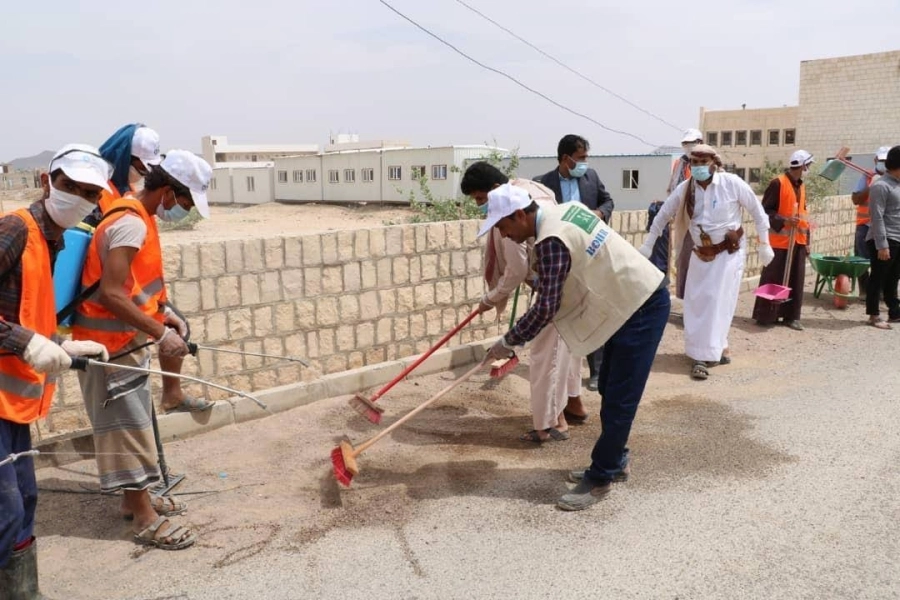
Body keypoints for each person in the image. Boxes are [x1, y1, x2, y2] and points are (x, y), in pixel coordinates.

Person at [480, 184, 669, 511]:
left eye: (503, 226)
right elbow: (569, 270)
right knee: (610, 385)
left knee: (620, 397)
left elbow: (546, 308)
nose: (504, 235)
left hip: (641, 304)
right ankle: (617, 457)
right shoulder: (565, 211)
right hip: (628, 300)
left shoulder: (550, 240)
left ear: (521, 215)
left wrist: (509, 340)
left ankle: (601, 476)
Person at [71, 150, 212, 551]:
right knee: (126, 430)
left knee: (132, 426)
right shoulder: (130, 224)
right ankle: (145, 520)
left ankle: (135, 503)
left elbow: (133, 286)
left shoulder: (136, 215)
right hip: (109, 347)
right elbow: (111, 293)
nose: (183, 211)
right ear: (167, 192)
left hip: (124, 341)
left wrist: (162, 314)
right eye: (184, 203)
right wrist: (158, 331)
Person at [0, 145, 111, 597]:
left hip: (12, 407)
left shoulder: (54, 241)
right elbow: (20, 332)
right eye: (70, 187)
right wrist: (26, 343)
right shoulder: (14, 230)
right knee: (4, 513)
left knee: (24, 502)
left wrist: (61, 342)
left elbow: (25, 314)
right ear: (49, 181)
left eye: (88, 193)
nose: (78, 198)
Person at [461, 163, 584, 440]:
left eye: (481, 199)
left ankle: (550, 425)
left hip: (572, 288)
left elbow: (519, 275)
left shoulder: (534, 227)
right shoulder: (533, 191)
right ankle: (573, 406)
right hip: (569, 285)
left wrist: (507, 336)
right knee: (568, 350)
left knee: (545, 355)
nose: (504, 234)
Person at [641, 144, 773, 380]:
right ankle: (714, 347)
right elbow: (663, 215)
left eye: (704, 162)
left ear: (713, 163)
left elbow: (758, 212)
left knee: (719, 302)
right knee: (695, 302)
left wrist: (765, 244)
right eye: (695, 163)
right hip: (701, 253)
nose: (699, 167)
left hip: (729, 254)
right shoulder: (686, 189)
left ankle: (703, 357)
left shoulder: (732, 183)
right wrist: (649, 244)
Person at [534, 134, 614, 394]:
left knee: (592, 309)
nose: (585, 163)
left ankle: (597, 371)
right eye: (581, 158)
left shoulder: (591, 178)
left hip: (589, 252)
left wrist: (599, 213)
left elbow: (608, 201)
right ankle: (564, 372)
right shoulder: (543, 185)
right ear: (566, 159)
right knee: (566, 311)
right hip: (560, 257)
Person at [752, 150, 814, 330]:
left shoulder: (801, 186)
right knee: (773, 277)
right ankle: (765, 315)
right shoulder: (777, 183)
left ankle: (790, 316)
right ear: (802, 165)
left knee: (796, 279)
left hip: (798, 242)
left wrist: (807, 240)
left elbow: (804, 214)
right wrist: (784, 220)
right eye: (807, 165)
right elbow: (765, 212)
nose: (808, 168)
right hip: (779, 243)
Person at [864, 145, 900, 329]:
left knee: (894, 278)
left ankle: (894, 312)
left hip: (898, 238)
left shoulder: (897, 184)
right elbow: (876, 216)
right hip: (884, 238)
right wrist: (882, 245)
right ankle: (874, 315)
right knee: (878, 277)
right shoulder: (880, 185)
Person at [666, 128, 704, 298]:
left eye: (692, 143)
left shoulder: (710, 164)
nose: (688, 147)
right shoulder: (679, 163)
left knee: (703, 264)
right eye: (686, 144)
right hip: (685, 220)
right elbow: (673, 189)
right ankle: (688, 300)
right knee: (685, 261)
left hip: (705, 223)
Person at [851, 146, 890, 293]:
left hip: (886, 228)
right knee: (862, 260)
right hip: (864, 226)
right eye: (881, 160)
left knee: (884, 261)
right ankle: (865, 291)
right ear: (875, 160)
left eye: (886, 160)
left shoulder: (895, 178)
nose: (884, 163)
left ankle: (881, 291)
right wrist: (871, 186)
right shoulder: (867, 176)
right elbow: (855, 199)